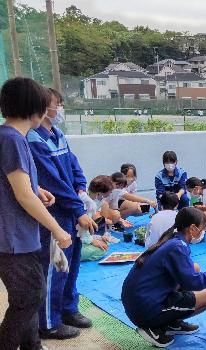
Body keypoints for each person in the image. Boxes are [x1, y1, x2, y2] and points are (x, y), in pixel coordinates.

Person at [0, 77, 73, 350]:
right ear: (35, 107)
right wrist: (58, 229)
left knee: (29, 296)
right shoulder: (12, 140)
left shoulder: (10, 136)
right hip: (13, 238)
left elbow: (16, 182)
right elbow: (22, 195)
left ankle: (33, 346)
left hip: (18, 237)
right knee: (30, 297)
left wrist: (38, 187)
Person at [27, 87, 98, 339]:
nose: (61, 109)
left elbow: (74, 166)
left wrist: (81, 188)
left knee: (73, 263)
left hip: (70, 209)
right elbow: (53, 182)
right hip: (54, 213)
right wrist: (78, 209)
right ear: (45, 108)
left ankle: (68, 308)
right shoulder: (33, 139)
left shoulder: (58, 135)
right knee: (56, 267)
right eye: (58, 104)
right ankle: (48, 322)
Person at [122, 208, 206, 347]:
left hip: (138, 301)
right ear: (193, 228)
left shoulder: (173, 241)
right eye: (203, 228)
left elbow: (190, 277)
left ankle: (172, 322)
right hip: (145, 309)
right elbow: (195, 283)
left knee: (195, 268)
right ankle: (154, 326)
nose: (203, 232)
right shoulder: (178, 247)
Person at [79, 176, 118, 262]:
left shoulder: (83, 196)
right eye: (105, 196)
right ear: (99, 194)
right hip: (71, 243)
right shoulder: (88, 204)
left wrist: (97, 238)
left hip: (75, 237)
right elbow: (81, 229)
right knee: (101, 250)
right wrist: (92, 240)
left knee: (102, 242)